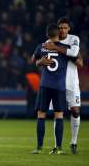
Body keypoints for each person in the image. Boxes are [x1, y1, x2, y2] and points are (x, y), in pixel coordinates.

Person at [42, 17, 83, 154]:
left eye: (65, 28)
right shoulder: (50, 41)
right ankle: (56, 146)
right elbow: (41, 58)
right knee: (57, 114)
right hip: (56, 83)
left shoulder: (73, 39)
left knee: (75, 111)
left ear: (69, 29)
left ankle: (73, 142)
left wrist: (56, 48)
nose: (63, 30)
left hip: (72, 82)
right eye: (60, 28)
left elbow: (77, 56)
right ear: (57, 28)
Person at [31, 24, 71, 154]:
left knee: (41, 114)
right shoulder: (65, 48)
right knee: (59, 115)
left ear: (47, 34)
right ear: (59, 34)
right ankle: (59, 148)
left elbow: (33, 60)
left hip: (45, 85)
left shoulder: (42, 47)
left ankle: (39, 147)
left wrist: (39, 62)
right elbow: (76, 58)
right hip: (59, 86)